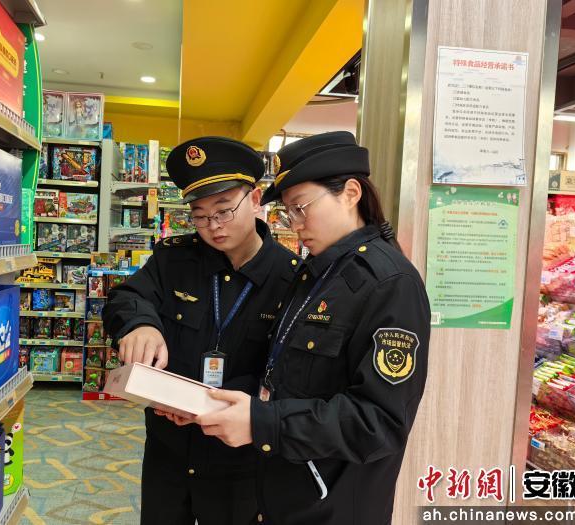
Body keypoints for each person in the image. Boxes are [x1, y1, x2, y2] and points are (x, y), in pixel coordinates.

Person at [194, 131, 431, 524]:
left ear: (351, 193)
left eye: (301, 208)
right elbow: (288, 375)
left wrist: (263, 422)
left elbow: (379, 422)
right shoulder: (316, 273)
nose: (295, 224)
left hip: (334, 505)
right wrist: (213, 401)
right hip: (287, 490)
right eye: (289, 213)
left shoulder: (389, 284)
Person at [102, 136, 300, 525]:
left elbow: (292, 374)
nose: (213, 226)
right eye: (200, 215)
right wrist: (140, 324)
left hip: (238, 458)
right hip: (168, 450)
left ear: (255, 199)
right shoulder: (175, 260)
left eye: (224, 210)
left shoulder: (290, 278)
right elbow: (125, 297)